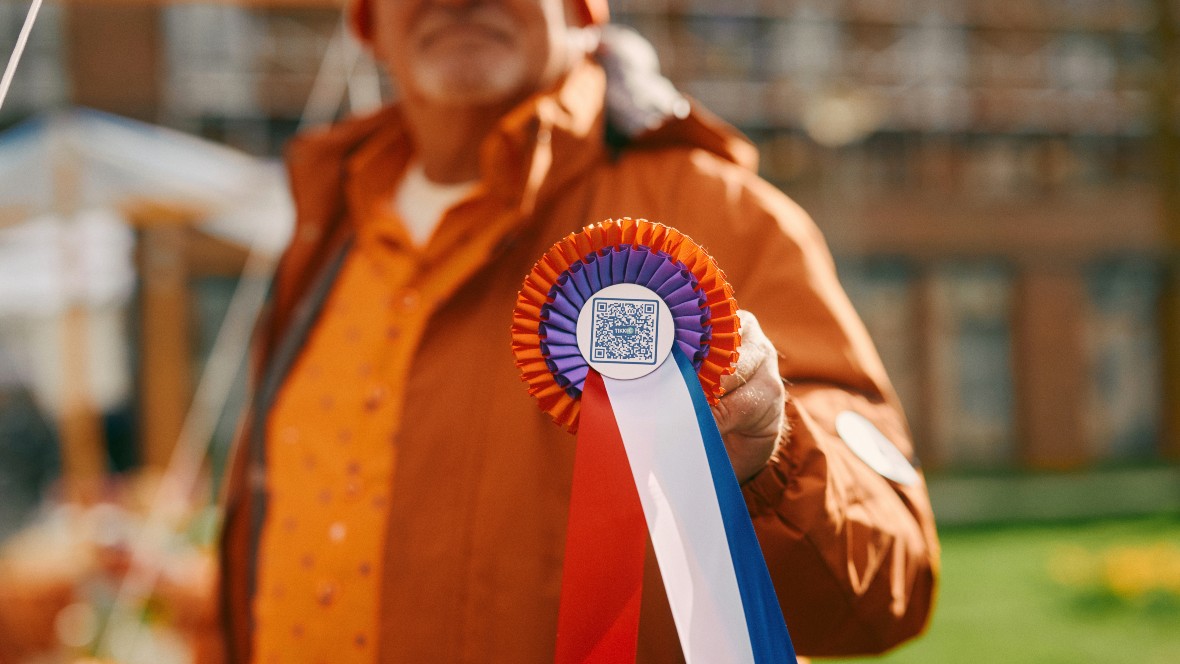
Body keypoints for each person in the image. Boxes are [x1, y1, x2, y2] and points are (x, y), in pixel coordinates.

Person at [218, 0, 940, 662]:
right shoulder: (323, 231)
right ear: (366, 19)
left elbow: (887, 593)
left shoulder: (723, 217)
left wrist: (769, 465)